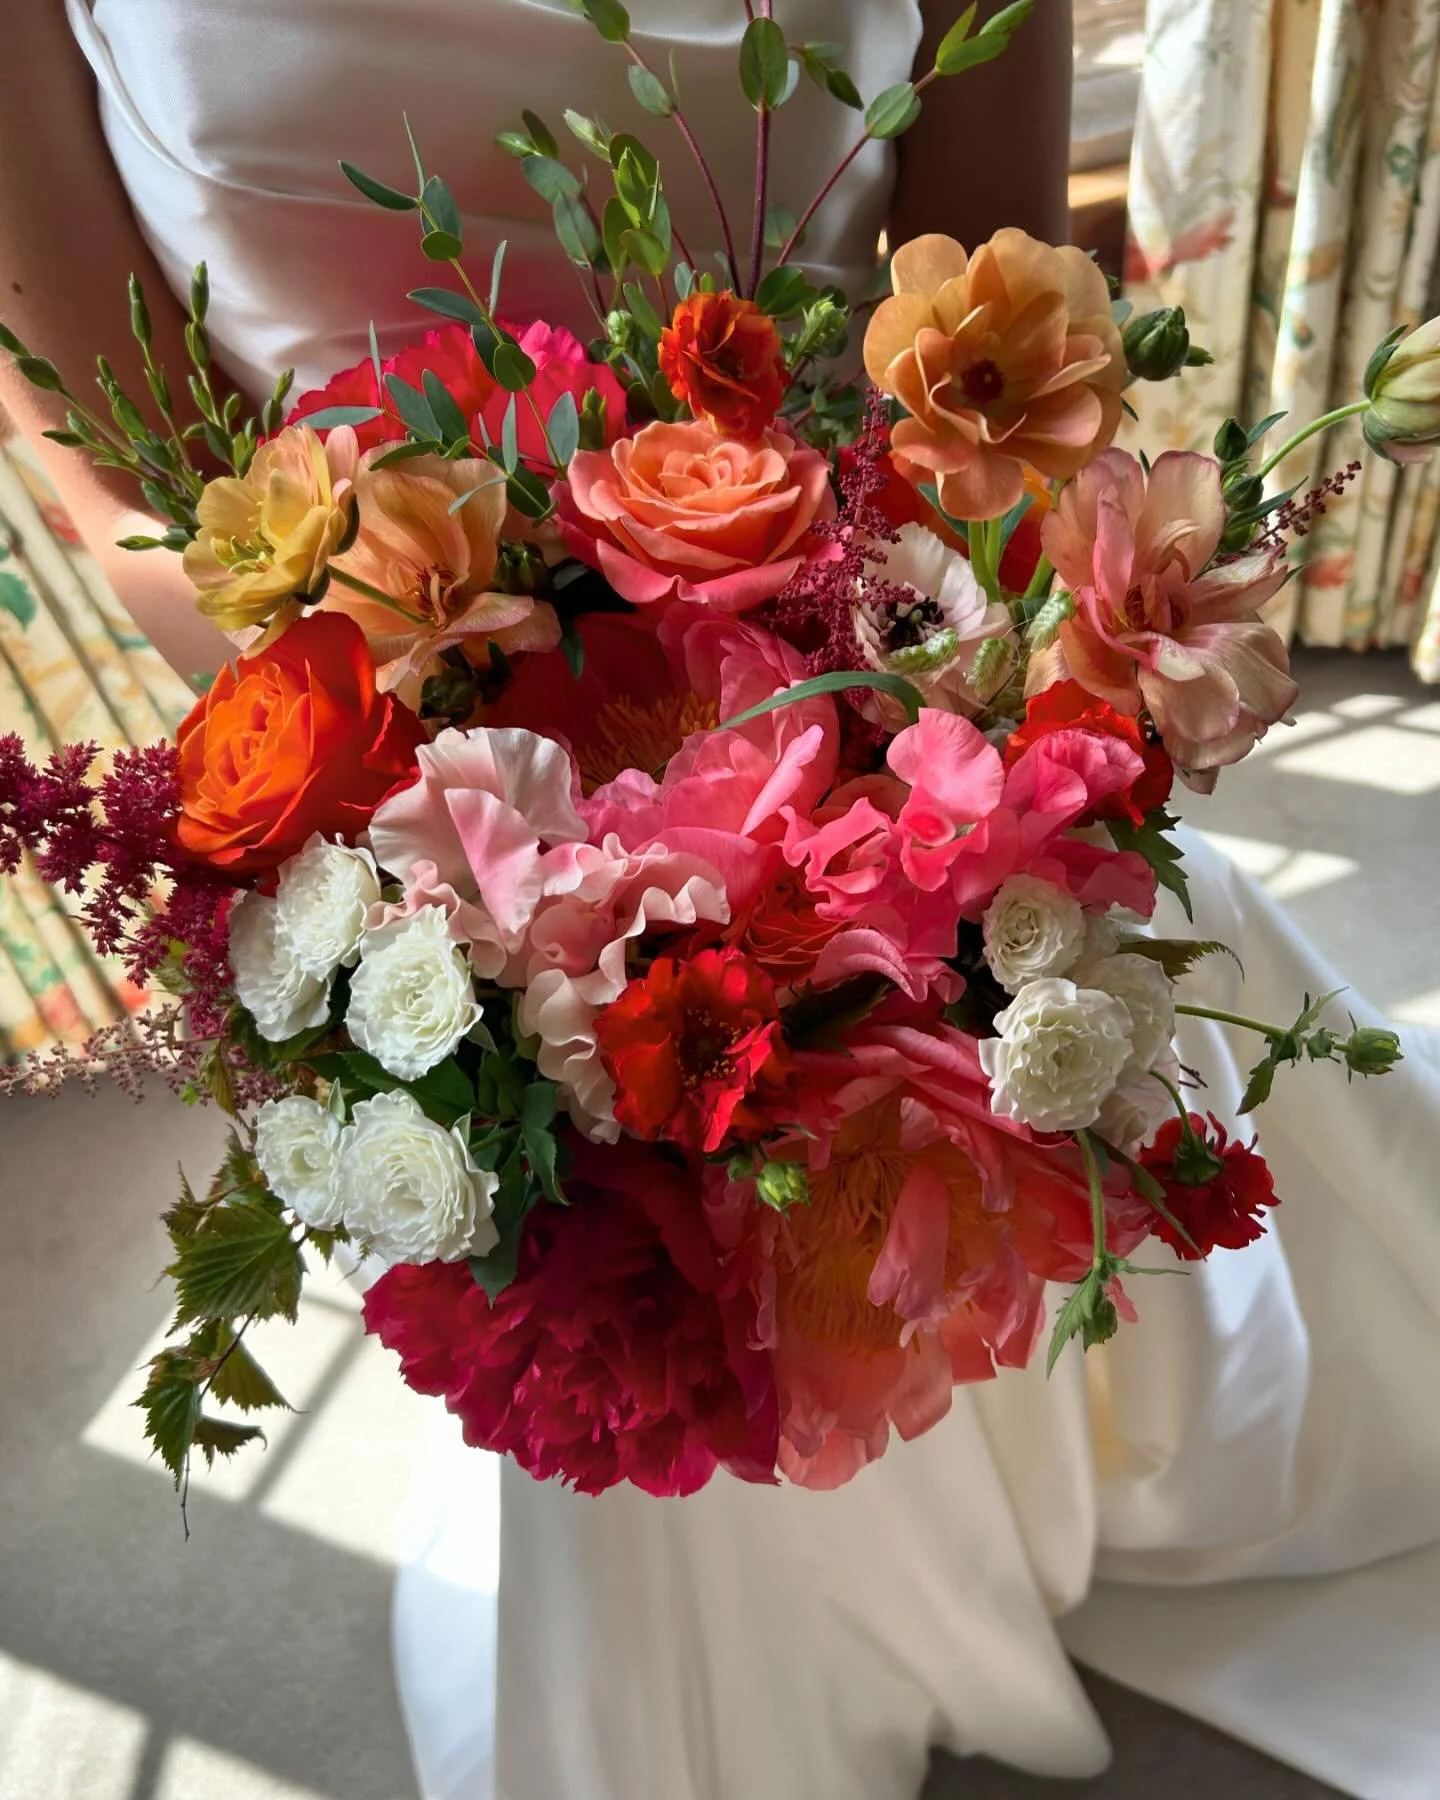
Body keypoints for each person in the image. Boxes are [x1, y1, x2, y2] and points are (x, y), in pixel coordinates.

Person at [6, 6, 1440, 1799]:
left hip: (863, 635)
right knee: (632, 1244)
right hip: (378, 709)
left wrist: (922, 687)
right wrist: (403, 791)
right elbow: (99, 433)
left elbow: (1002, 283)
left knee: (961, 1128)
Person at [0, 0, 1071, 679]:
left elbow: (998, 367)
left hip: (869, 676)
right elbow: (133, 490)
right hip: (373, 763)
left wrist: (893, 725)